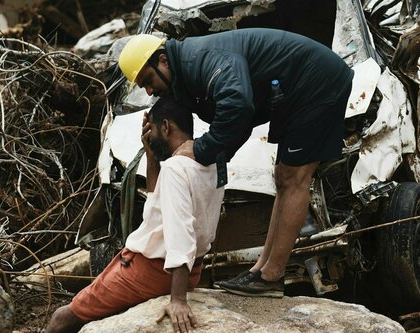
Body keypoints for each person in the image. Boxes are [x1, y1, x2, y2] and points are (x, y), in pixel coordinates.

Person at [117, 28, 353, 298]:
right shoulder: (185, 74)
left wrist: (203, 149)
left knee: (294, 178)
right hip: (292, 91)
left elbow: (238, 106)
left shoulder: (200, 60)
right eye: (142, 87)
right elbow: (235, 121)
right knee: (282, 178)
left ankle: (271, 276)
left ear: (163, 60)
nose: (149, 90)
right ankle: (260, 271)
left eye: (148, 79)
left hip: (316, 81)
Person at [45, 96, 225, 333]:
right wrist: (151, 157)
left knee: (62, 318)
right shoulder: (211, 163)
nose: (150, 137)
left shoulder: (175, 168)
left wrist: (178, 300)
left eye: (152, 130)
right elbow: (158, 206)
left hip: (150, 270)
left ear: (166, 127)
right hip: (192, 270)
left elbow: (181, 234)